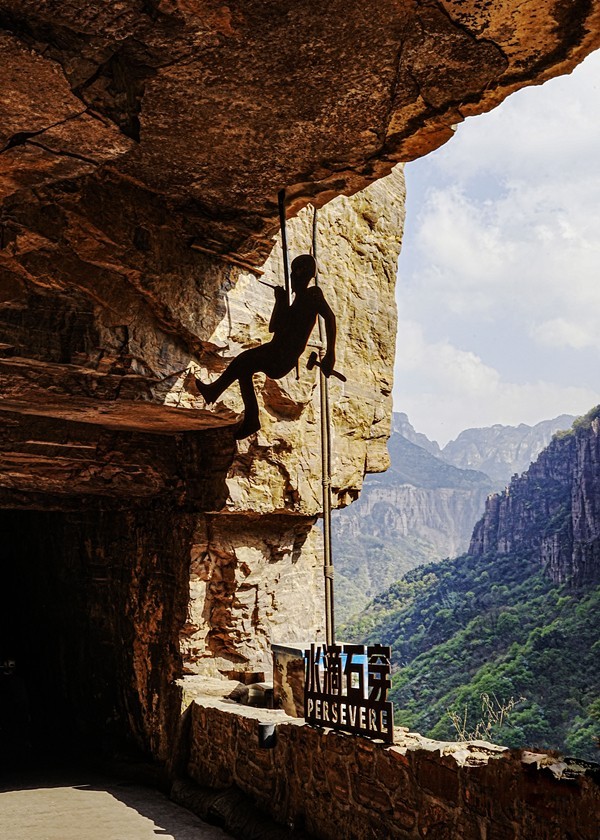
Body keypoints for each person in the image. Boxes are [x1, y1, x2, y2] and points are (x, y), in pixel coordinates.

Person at [195, 254, 337, 439]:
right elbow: (273, 327)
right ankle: (242, 411)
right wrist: (280, 301)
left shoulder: (313, 295)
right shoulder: (293, 303)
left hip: (282, 355)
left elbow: (330, 318)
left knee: (243, 362)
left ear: (303, 274)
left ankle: (224, 397)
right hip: (276, 350)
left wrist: (330, 354)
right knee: (243, 365)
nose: (292, 277)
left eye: (295, 272)